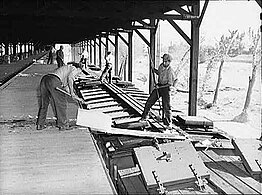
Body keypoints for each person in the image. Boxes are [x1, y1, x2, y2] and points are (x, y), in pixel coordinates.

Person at [36, 62, 87, 131]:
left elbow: (67, 89)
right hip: (54, 80)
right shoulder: (75, 68)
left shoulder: (65, 70)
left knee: (44, 104)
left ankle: (40, 124)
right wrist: (72, 92)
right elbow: (70, 78)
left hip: (45, 80)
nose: (78, 75)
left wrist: (77, 98)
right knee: (61, 103)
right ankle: (63, 125)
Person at [140, 53, 177, 130]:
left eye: (166, 61)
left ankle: (168, 123)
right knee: (150, 101)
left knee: (166, 106)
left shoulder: (170, 71)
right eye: (163, 61)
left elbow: (169, 84)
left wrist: (159, 86)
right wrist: (154, 70)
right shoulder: (161, 66)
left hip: (166, 88)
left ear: (169, 62)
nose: (164, 63)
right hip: (159, 86)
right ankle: (144, 117)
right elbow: (159, 73)